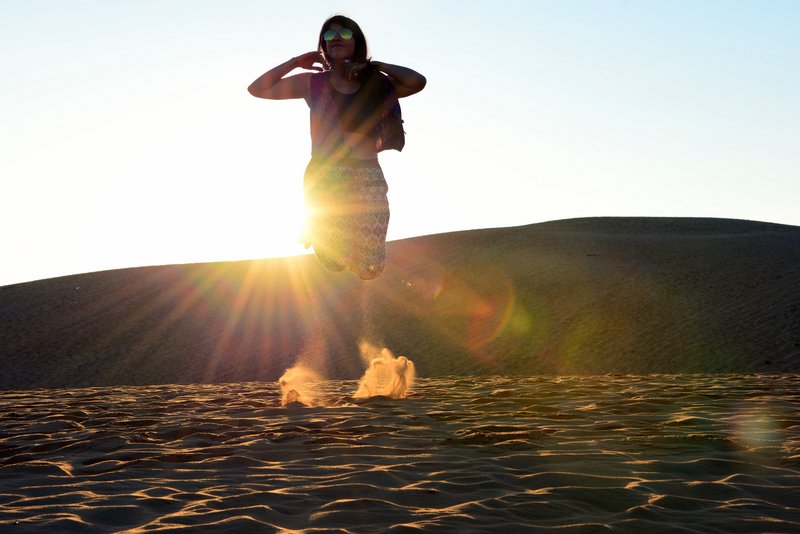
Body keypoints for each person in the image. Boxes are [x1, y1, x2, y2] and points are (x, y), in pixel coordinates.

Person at [248, 15, 426, 280]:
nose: (336, 39)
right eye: (329, 36)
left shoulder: (376, 82)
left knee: (370, 268)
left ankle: (327, 233)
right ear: (323, 46)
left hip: (368, 174)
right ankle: (320, 229)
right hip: (326, 173)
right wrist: (297, 62)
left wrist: (375, 66)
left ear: (357, 41)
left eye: (344, 34)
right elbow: (257, 89)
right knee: (333, 261)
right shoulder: (312, 83)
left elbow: (417, 81)